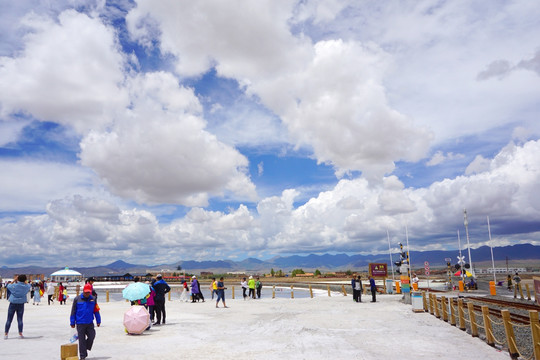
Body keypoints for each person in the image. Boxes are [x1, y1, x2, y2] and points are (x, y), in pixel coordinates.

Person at [70, 284, 101, 360]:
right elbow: (73, 311)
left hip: (90, 323)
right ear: (83, 291)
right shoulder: (77, 299)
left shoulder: (93, 299)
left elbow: (96, 311)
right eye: (86, 292)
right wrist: (72, 322)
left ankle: (85, 348)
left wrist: (98, 320)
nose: (87, 294)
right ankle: (82, 356)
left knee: (92, 336)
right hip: (80, 323)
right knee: (81, 340)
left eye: (88, 292)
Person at [4, 275, 31, 339]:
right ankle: (20, 333)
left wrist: (14, 280)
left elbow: (8, 286)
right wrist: (25, 281)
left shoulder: (14, 285)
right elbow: (29, 285)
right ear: (25, 280)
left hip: (13, 303)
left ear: (18, 279)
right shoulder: (26, 287)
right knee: (20, 319)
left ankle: (6, 334)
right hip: (21, 303)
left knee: (9, 319)